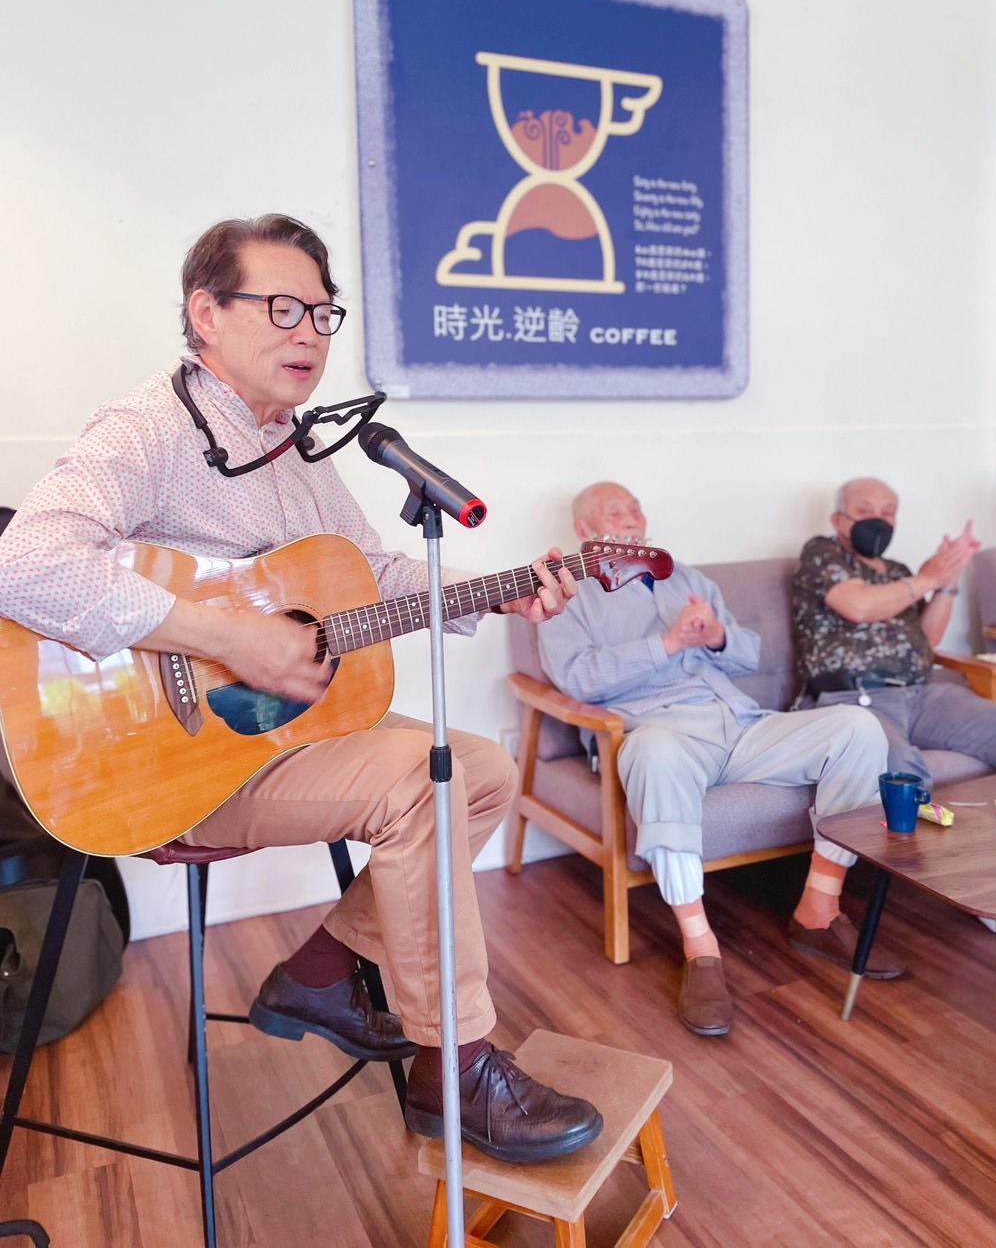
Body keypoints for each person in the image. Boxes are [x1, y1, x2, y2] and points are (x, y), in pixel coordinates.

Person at [0, 214, 602, 1165]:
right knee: (426, 775)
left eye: (324, 313)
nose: (311, 333)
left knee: (478, 766)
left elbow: (366, 573)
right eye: (283, 307)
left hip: (274, 738)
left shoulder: (296, 450)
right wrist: (230, 633)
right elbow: (24, 564)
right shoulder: (148, 429)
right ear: (206, 313)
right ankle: (455, 1068)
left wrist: (501, 589)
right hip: (168, 767)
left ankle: (325, 970)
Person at [536, 482, 902, 1041]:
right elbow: (577, 678)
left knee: (857, 727)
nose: (633, 516)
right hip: (663, 731)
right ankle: (701, 948)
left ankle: (818, 911)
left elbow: (751, 655)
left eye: (636, 506)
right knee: (653, 753)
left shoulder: (684, 576)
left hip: (741, 723)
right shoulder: (566, 596)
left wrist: (715, 634)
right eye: (616, 511)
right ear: (585, 531)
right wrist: (669, 644)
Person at [793, 477, 996, 940]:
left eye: (889, 509)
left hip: (924, 690)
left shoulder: (896, 569)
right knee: (901, 771)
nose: (880, 517)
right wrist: (928, 577)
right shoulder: (821, 554)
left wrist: (947, 583)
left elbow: (928, 639)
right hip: (853, 698)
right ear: (839, 520)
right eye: (866, 508)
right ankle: (980, 887)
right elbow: (857, 606)